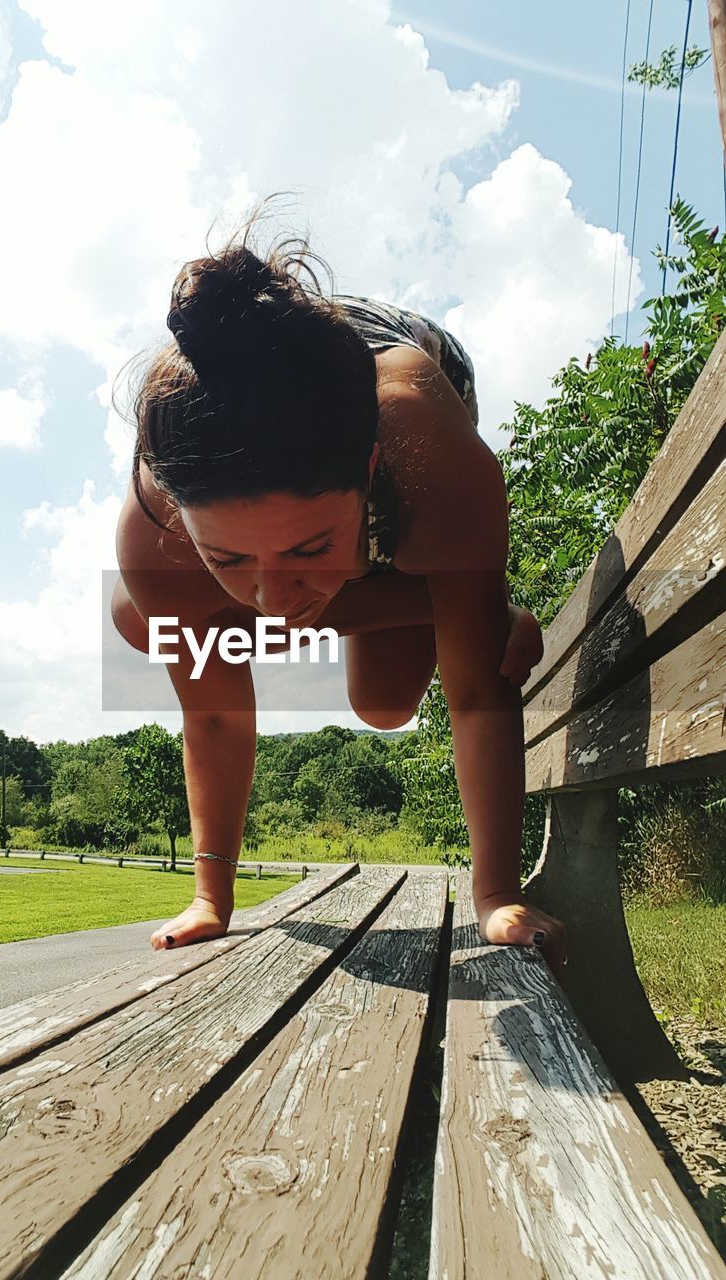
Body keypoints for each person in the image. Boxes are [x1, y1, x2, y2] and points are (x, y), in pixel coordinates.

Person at [111, 200, 568, 979]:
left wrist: (496, 892)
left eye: (309, 548)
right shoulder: (154, 535)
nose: (274, 596)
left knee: (387, 703)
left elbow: (478, 699)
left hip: (411, 372)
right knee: (137, 614)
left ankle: (464, 595)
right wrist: (210, 896)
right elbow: (214, 717)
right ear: (183, 521)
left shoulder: (425, 446)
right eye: (230, 557)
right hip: (269, 387)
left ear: (364, 483)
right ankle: (459, 600)